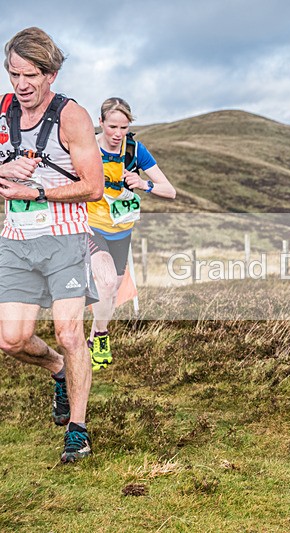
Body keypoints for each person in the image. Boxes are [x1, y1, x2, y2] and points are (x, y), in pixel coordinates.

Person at [0, 27, 104, 463]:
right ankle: (58, 370)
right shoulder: (3, 113)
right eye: (13, 74)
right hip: (16, 240)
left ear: (51, 74)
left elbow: (94, 187)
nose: (21, 85)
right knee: (11, 340)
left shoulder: (71, 117)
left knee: (68, 332)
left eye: (31, 75)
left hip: (64, 237)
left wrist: (37, 192)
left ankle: (77, 430)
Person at [86, 97, 175, 370]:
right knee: (106, 282)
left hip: (121, 230)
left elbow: (169, 191)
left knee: (112, 294)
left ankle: (91, 340)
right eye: (112, 126)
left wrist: (143, 184)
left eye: (124, 127)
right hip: (90, 226)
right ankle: (101, 337)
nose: (117, 133)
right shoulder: (86, 147)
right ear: (100, 123)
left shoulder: (135, 150)